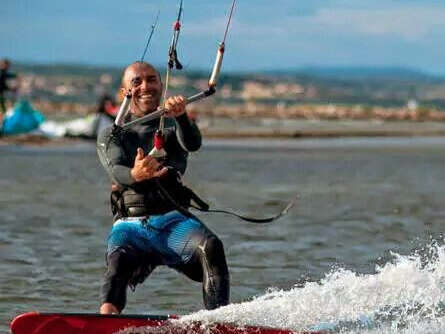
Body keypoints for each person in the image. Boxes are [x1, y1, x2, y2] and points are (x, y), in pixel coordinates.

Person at [96, 61, 230, 314]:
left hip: (173, 224)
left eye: (151, 80)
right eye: (136, 81)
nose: (145, 86)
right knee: (118, 264)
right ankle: (105, 322)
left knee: (211, 247)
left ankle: (219, 322)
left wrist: (180, 116)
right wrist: (135, 173)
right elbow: (116, 170)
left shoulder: (174, 124)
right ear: (123, 92)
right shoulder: (112, 133)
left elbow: (192, 144)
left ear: (161, 84)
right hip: (131, 227)